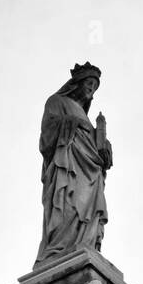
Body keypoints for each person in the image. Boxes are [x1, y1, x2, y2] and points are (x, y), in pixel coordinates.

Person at [34, 62, 112, 269]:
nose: (91, 89)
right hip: (69, 165)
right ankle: (60, 247)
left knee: (89, 211)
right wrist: (70, 124)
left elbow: (93, 144)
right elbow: (47, 136)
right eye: (88, 83)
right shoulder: (56, 102)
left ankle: (85, 244)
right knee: (69, 205)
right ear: (76, 83)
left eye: (95, 87)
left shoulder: (85, 115)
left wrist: (103, 146)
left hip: (91, 171)